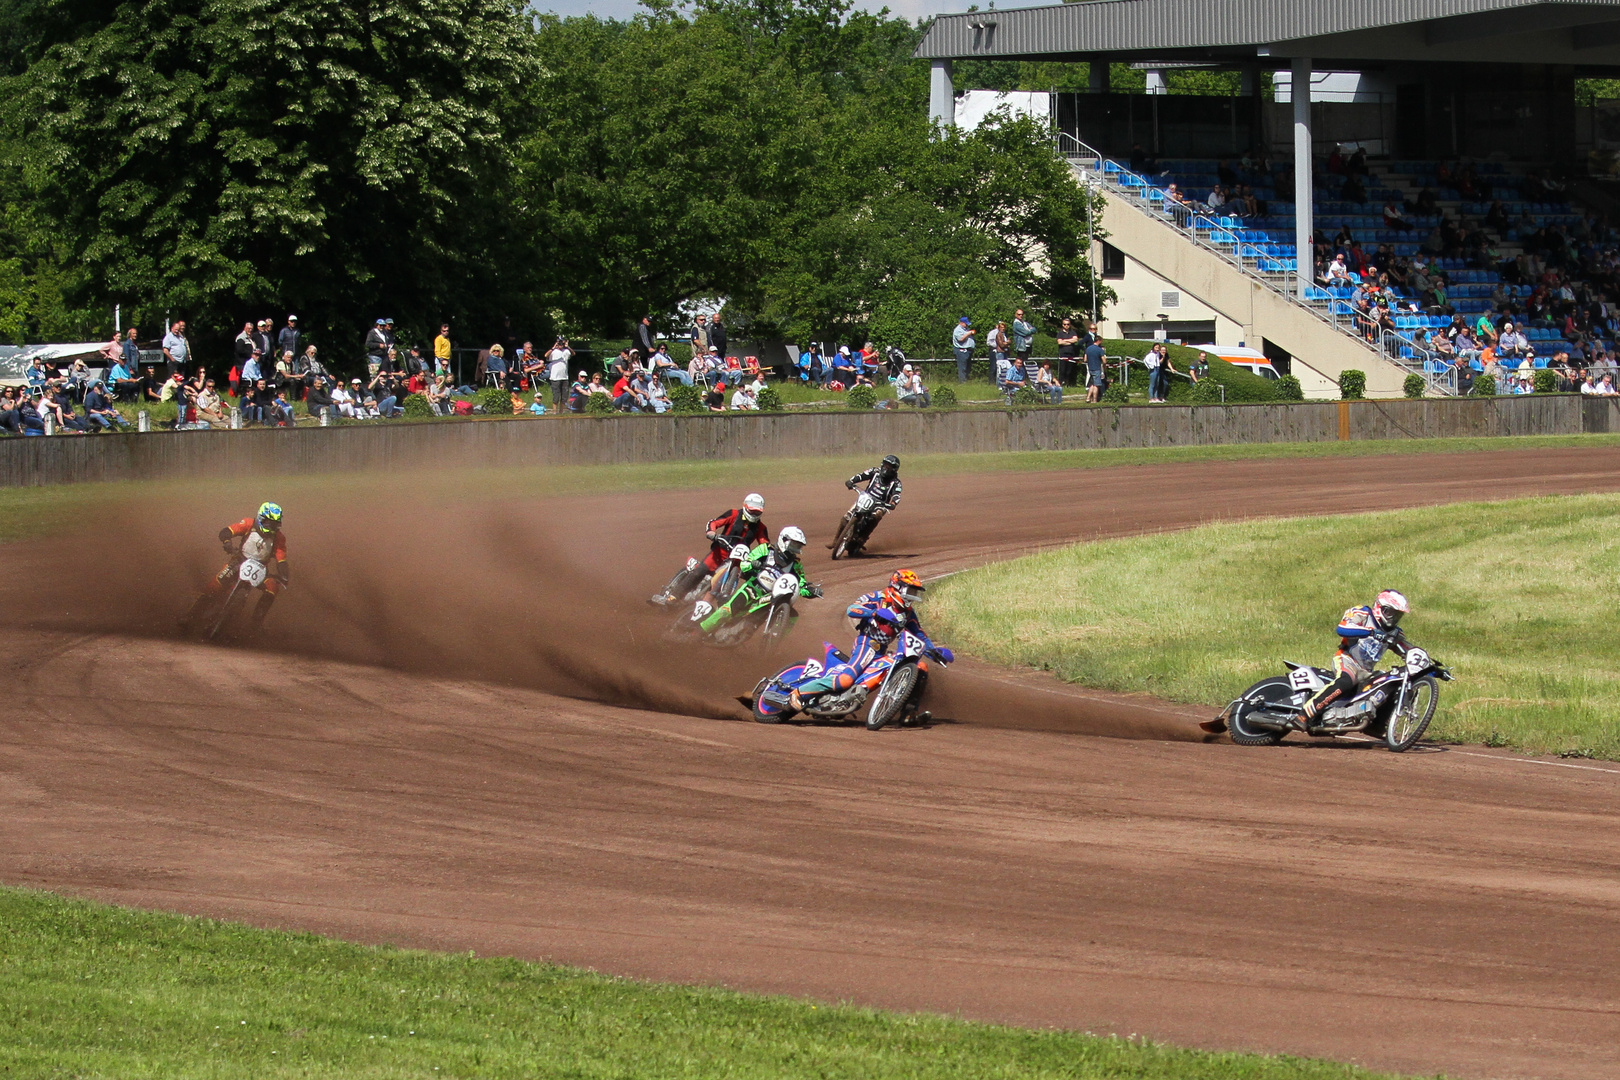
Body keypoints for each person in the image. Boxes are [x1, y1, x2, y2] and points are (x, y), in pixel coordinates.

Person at [1301, 590, 1412, 726]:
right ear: (1379, 607)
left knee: (1388, 684)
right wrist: (1369, 632)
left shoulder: (1395, 632)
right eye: (1390, 613)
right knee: (1346, 681)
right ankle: (1306, 713)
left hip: (1366, 672)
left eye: (1397, 615)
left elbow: (1407, 649)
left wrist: (1428, 665)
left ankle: (1378, 725)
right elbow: (1342, 629)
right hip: (1347, 659)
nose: (1393, 618)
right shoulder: (1363, 613)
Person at [692, 526, 821, 636]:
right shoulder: (765, 549)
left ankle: (774, 639)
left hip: (772, 597)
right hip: (754, 587)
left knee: (792, 616)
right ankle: (699, 632)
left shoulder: (796, 565)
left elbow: (800, 584)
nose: (795, 549)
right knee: (728, 611)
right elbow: (745, 563)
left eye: (797, 546)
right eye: (793, 544)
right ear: (784, 540)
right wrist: (753, 564)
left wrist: (811, 590)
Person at [184, 502, 289, 633]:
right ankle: (190, 615)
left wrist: (284, 577)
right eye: (269, 523)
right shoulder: (248, 524)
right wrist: (227, 542)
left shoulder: (279, 538)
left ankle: (255, 623)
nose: (271, 527)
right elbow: (226, 531)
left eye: (274, 524)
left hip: (261, 569)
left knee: (273, 588)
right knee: (215, 586)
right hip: (238, 561)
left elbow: (281, 560)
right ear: (261, 518)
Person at [650, 493, 770, 606]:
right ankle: (673, 596)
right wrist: (711, 532)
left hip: (738, 561)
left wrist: (765, 559)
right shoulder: (733, 514)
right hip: (719, 553)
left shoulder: (760, 528)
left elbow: (764, 546)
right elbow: (715, 522)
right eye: (752, 511)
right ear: (745, 506)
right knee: (700, 571)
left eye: (757, 512)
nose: (754, 514)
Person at [1057, 318, 1081, 387]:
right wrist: (1070, 341)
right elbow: (1060, 342)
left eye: (1068, 324)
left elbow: (1075, 340)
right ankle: (1061, 383)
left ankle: (1068, 383)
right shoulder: (1060, 333)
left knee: (1069, 370)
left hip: (1071, 353)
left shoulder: (1073, 332)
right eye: (1065, 324)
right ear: (1062, 325)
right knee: (1062, 370)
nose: (1066, 326)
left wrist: (1065, 341)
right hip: (1063, 353)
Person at [951, 316, 975, 383]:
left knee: (968, 367)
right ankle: (962, 381)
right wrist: (969, 333)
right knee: (962, 367)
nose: (967, 325)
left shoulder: (965, 329)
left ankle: (966, 380)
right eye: (966, 323)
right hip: (961, 351)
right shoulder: (957, 330)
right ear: (962, 323)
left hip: (968, 350)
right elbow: (960, 339)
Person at [1084, 335, 1107, 402]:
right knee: (1096, 385)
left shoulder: (1088, 349)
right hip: (1097, 368)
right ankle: (1094, 400)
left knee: (1091, 384)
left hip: (1090, 368)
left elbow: (1085, 359)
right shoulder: (1099, 350)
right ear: (1099, 341)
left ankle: (1088, 398)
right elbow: (1104, 361)